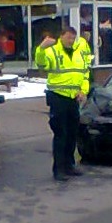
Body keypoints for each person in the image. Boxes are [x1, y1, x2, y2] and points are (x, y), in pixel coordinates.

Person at [35, 26, 90, 182]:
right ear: (61, 37)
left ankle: (69, 165)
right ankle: (59, 169)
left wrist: (83, 91)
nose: (71, 41)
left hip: (73, 99)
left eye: (73, 38)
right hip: (58, 98)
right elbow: (41, 65)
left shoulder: (79, 54)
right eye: (68, 37)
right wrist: (41, 48)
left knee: (72, 133)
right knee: (61, 134)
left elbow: (85, 74)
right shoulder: (53, 51)